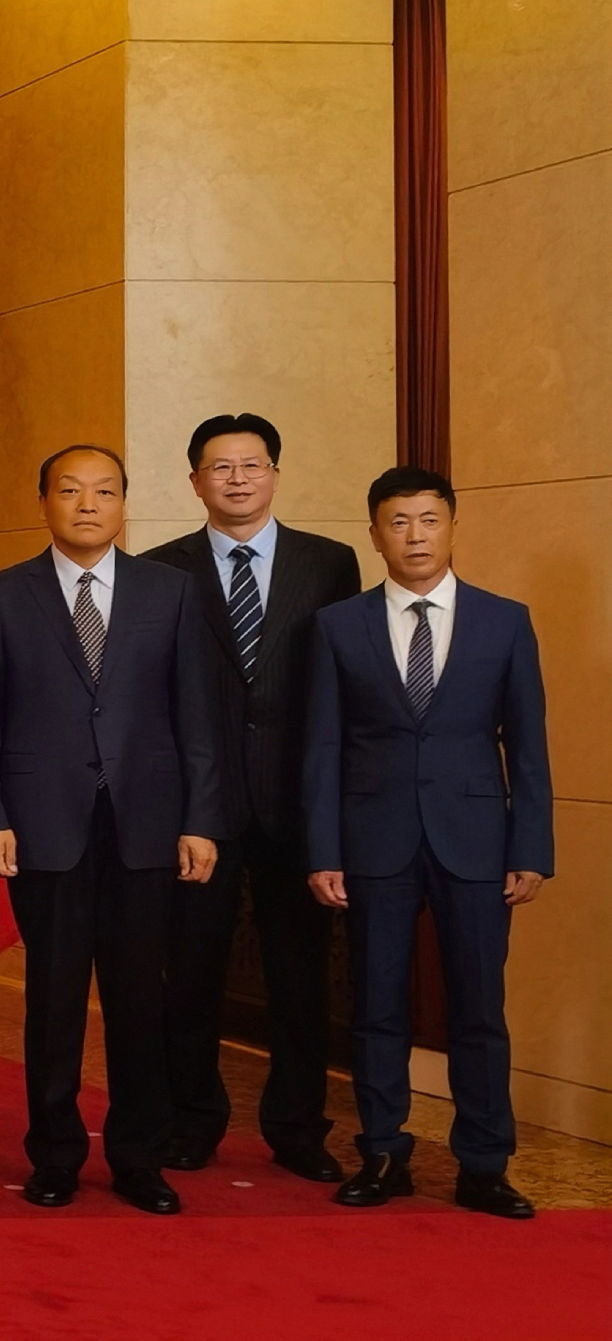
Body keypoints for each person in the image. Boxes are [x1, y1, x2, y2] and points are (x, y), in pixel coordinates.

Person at [0, 444, 220, 1214]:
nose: (86, 504)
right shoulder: (1, 596)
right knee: (53, 999)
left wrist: (200, 819)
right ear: (43, 501)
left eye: (103, 491)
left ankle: (140, 1156)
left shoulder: (170, 591)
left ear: (123, 503)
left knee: (140, 998)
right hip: (42, 825)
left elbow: (197, 718)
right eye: (70, 490)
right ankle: (55, 1155)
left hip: (146, 822)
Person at [307, 467, 550, 1220]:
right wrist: (323, 850)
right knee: (377, 1006)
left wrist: (531, 847)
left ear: (452, 526)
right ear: (375, 534)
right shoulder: (337, 625)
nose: (415, 536)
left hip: (476, 842)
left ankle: (484, 1164)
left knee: (479, 1010)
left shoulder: (504, 621)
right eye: (399, 522)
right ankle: (382, 1152)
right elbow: (322, 747)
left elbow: (528, 746)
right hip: (373, 840)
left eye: (429, 519)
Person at [140, 415, 360, 1184]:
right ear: (194, 480)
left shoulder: (329, 563)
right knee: (190, 974)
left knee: (300, 979)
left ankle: (297, 1126)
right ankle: (191, 1118)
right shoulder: (160, 571)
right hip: (197, 808)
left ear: (275, 473)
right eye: (220, 467)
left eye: (252, 464)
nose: (237, 478)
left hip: (298, 804)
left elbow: (342, 685)